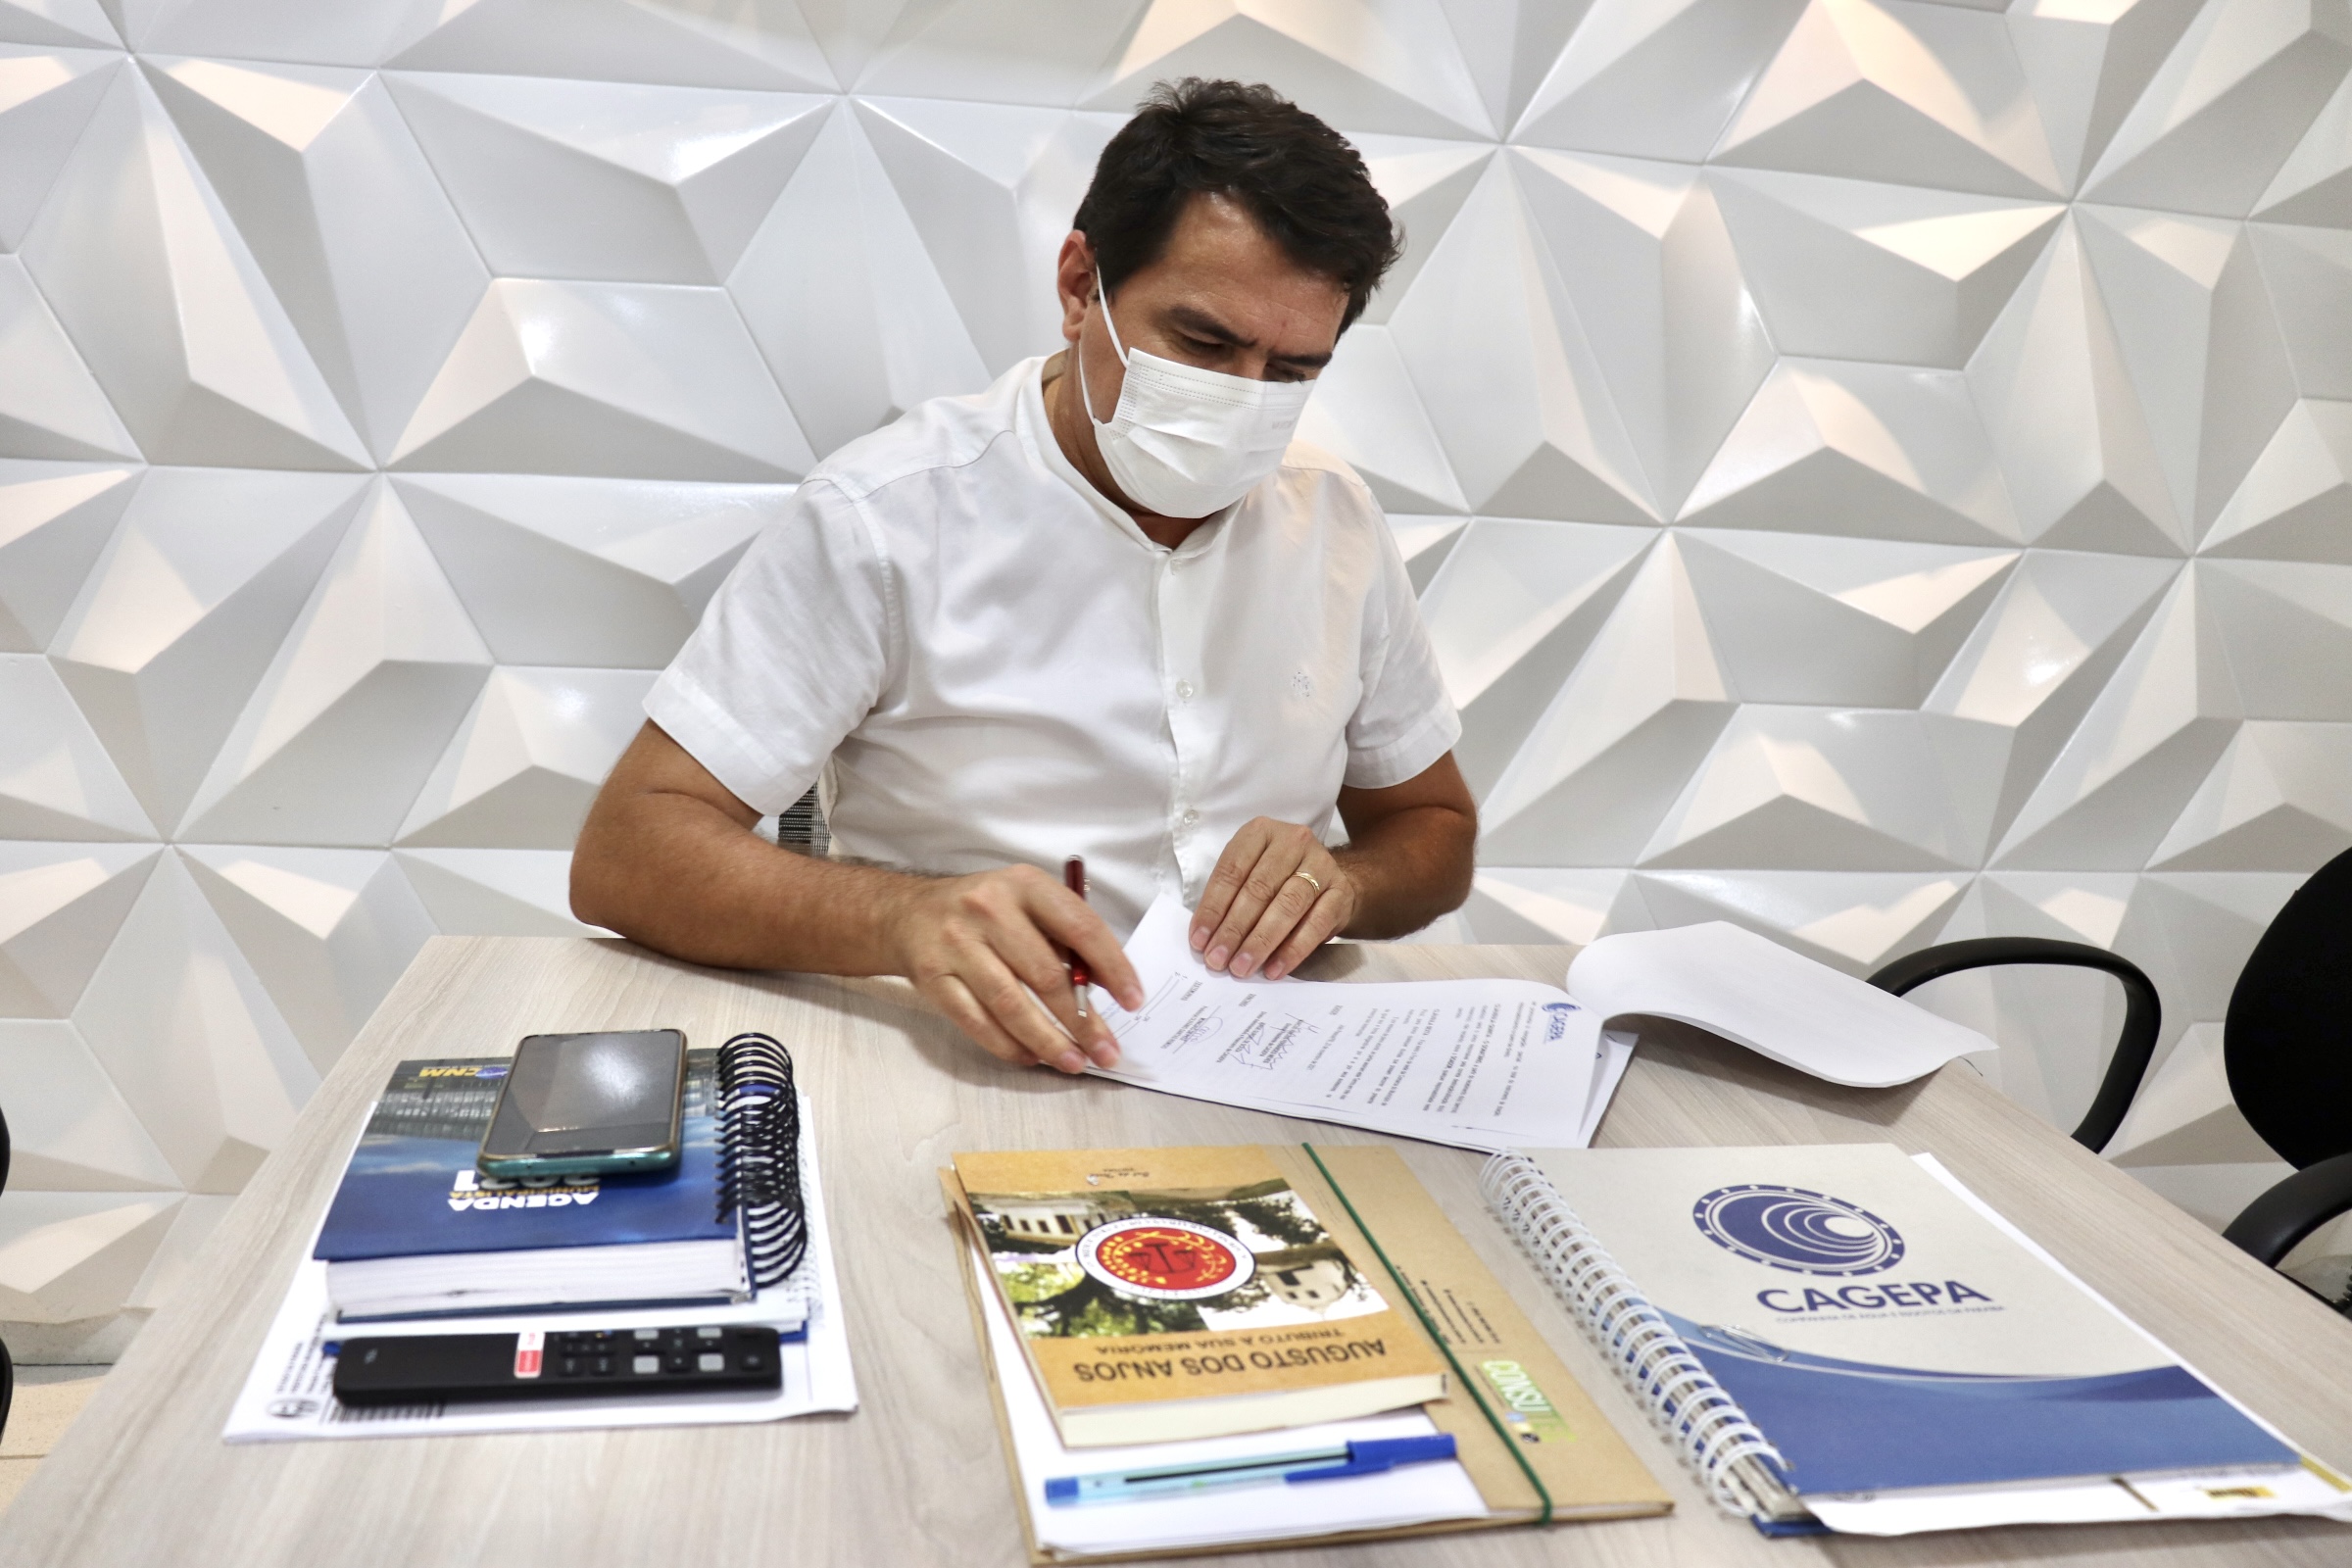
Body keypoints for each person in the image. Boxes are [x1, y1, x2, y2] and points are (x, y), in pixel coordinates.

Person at [572, 78, 1475, 1081]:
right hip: (970, 1069)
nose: (1241, 399)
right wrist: (903, 916)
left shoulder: (1334, 517)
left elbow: (1432, 831)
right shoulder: (886, 513)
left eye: (1293, 371)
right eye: (1203, 343)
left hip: (1273, 1068)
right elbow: (627, 852)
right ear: (1082, 286)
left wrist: (1345, 885)